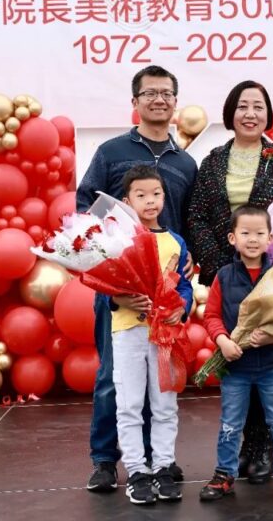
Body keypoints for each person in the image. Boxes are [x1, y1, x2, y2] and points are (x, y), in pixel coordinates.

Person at [77, 65, 197, 493]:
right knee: (114, 378)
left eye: (166, 93)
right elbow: (85, 209)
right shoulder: (111, 152)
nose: (159, 99)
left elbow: (188, 221)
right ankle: (106, 461)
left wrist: (188, 261)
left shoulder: (186, 162)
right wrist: (110, 271)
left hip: (165, 290)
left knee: (160, 382)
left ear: (175, 101)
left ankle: (156, 462)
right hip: (120, 289)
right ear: (135, 102)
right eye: (150, 93)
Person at [187, 80, 273, 483]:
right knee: (236, 356)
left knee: (263, 358)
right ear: (230, 113)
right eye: (242, 106)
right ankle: (240, 450)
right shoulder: (213, 160)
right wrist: (221, 264)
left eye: (258, 106)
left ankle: (260, 447)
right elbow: (197, 215)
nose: (250, 114)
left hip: (269, 272)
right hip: (228, 273)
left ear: (268, 115)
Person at [198, 205, 273, 503]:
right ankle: (224, 474)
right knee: (231, 423)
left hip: (272, 365)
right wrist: (222, 341)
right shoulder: (224, 276)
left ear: (270, 238)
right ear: (232, 238)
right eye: (245, 233)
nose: (253, 239)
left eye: (259, 233)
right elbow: (211, 315)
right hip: (236, 367)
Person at [108, 165, 193, 505]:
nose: (150, 201)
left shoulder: (175, 242)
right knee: (129, 404)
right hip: (129, 331)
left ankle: (162, 467)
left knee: (165, 404)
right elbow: (105, 286)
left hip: (165, 335)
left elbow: (184, 286)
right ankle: (136, 471)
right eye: (141, 195)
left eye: (156, 194)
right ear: (127, 201)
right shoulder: (117, 240)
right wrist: (120, 299)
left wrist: (181, 307)